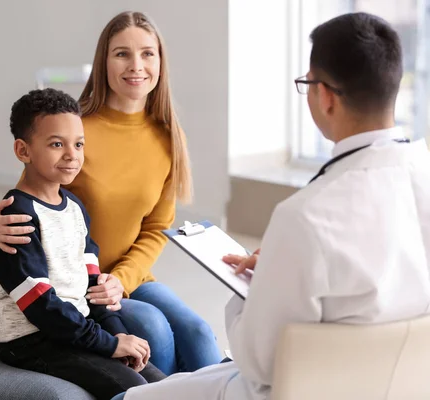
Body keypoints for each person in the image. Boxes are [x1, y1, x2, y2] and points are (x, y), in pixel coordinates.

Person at [112, 12, 430, 400]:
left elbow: (258, 362)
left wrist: (258, 287)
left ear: (325, 96)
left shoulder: (306, 215)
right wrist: (287, 266)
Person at [0, 11, 221, 374]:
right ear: (103, 61)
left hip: (126, 279)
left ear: (161, 61)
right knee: (155, 332)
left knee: (199, 333)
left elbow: (157, 227)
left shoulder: (169, 136)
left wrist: (122, 279)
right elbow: (31, 192)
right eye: (122, 53)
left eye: (148, 53)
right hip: (77, 285)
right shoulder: (76, 130)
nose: (136, 65)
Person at [0, 88, 165, 400]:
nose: (72, 154)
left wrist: (118, 332)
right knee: (135, 391)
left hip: (74, 328)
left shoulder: (74, 207)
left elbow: (92, 285)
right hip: (30, 339)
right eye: (57, 144)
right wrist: (107, 344)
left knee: (163, 385)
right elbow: (41, 308)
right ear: (23, 150)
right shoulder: (16, 217)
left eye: (78, 144)